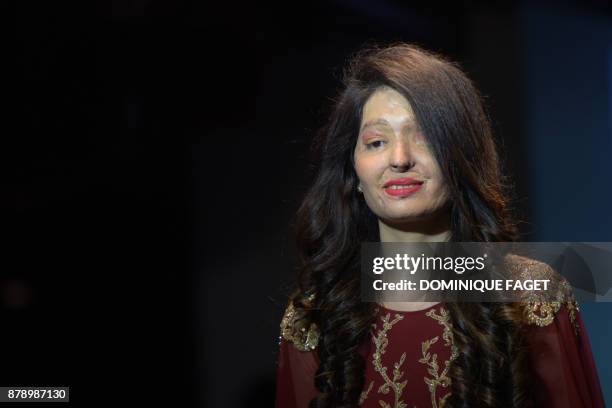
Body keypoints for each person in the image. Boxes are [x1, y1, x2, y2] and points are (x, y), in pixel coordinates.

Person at [274, 43, 605, 408]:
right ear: (352, 170)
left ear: (461, 157)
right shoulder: (317, 312)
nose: (399, 159)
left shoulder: (530, 296)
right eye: (377, 142)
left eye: (424, 137)